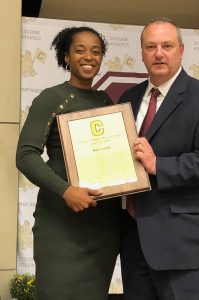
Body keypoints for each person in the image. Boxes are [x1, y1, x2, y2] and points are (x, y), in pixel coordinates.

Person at [118, 17, 199, 300]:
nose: (158, 53)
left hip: (183, 248)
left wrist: (159, 165)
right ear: (141, 53)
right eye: (150, 46)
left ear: (181, 50)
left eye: (167, 45)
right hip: (134, 241)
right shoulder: (128, 97)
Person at [16, 26, 121, 300]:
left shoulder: (105, 100)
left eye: (96, 51)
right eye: (80, 50)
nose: (89, 56)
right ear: (66, 57)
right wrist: (66, 190)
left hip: (102, 228)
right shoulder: (51, 98)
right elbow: (25, 155)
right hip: (60, 225)